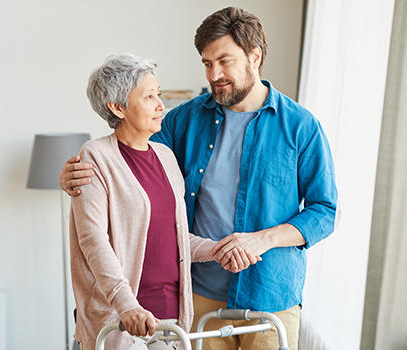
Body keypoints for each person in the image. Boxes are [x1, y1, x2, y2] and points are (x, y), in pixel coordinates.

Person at [61, 7, 337, 350]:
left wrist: (261, 240)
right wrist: (75, 174)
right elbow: (126, 160)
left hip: (271, 293)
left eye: (224, 61)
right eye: (207, 63)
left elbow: (324, 211)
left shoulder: (300, 126)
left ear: (255, 56)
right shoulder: (184, 121)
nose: (214, 74)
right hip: (199, 296)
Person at [70, 54, 258, 350]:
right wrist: (126, 306)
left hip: (172, 319)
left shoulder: (165, 157)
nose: (161, 105)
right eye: (149, 97)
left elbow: (176, 238)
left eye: (159, 94)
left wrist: (217, 249)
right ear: (117, 107)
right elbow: (93, 242)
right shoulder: (95, 157)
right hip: (121, 319)